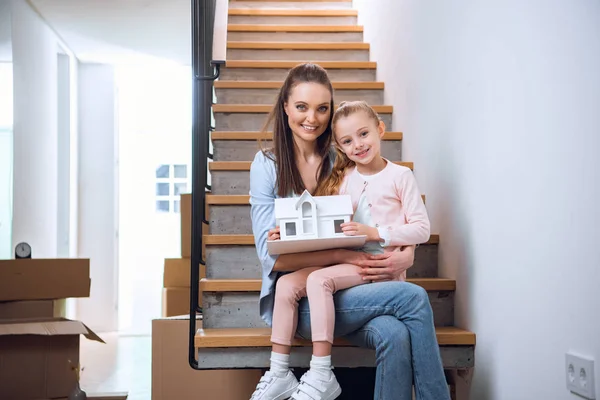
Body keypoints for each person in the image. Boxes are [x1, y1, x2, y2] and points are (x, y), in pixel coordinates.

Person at [249, 63, 450, 400]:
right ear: (285, 106)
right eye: (301, 106)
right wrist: (347, 254)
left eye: (322, 108)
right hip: (303, 297)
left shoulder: (342, 159)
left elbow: (379, 217)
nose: (312, 118)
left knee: (395, 335)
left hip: (348, 284)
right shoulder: (268, 165)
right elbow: (275, 261)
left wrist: (402, 255)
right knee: (414, 298)